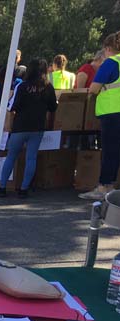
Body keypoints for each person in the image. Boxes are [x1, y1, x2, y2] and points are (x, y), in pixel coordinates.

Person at [0, 59, 57, 199]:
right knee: (31, 158)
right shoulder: (48, 87)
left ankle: (3, 187)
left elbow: (12, 107)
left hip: (20, 126)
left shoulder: (22, 86)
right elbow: (53, 107)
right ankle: (24, 188)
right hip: (38, 127)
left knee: (11, 156)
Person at [79, 31, 120, 200]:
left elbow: (94, 88)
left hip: (110, 112)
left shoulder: (110, 63)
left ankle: (104, 186)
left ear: (108, 48)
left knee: (110, 151)